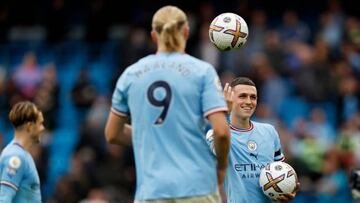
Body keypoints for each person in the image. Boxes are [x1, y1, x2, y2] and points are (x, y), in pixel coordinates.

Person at [104, 5, 230, 203]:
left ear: (154, 36)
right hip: (197, 188)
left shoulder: (130, 75)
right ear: (186, 32)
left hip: (152, 192)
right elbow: (221, 131)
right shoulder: (203, 72)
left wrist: (153, 135)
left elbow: (112, 134)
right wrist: (221, 167)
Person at [206, 77, 298, 203]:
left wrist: (286, 189)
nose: (249, 101)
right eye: (242, 96)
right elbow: (220, 149)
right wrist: (224, 112)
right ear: (229, 98)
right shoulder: (216, 134)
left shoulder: (269, 131)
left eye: (253, 97)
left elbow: (280, 170)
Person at [0, 101, 45, 202]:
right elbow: (4, 198)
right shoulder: (16, 157)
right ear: (29, 126)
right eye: (40, 123)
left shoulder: (22, 154)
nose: (43, 128)